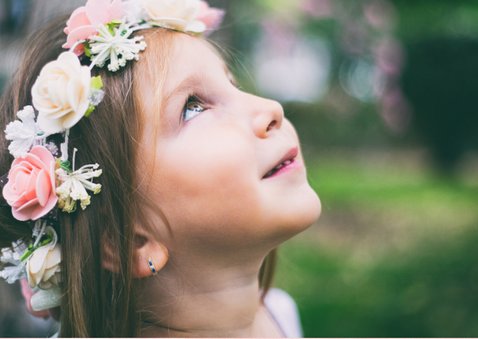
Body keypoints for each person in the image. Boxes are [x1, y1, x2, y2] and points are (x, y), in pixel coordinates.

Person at [0, 0, 321, 337]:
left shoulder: (280, 314)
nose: (271, 108)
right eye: (193, 108)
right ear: (130, 240)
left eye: (234, 84)